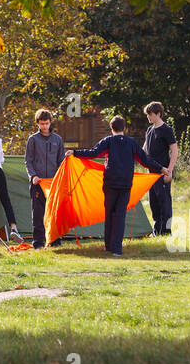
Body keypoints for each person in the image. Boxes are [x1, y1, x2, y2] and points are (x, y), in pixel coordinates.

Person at [73, 116, 168, 257]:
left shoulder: (108, 141)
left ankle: (108, 245)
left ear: (111, 128)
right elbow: (145, 160)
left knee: (109, 213)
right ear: (125, 128)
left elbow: (93, 153)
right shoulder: (132, 143)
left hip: (110, 183)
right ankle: (117, 249)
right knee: (120, 215)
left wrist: (75, 153)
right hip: (125, 184)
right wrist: (161, 168)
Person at [24, 109, 65, 250]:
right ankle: (38, 243)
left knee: (55, 212)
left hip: (53, 183)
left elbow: (61, 161)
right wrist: (33, 176)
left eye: (46, 123)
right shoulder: (33, 139)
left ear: (50, 122)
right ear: (37, 123)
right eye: (41, 124)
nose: (44, 127)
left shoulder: (58, 139)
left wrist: (59, 178)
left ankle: (54, 240)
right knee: (38, 213)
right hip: (38, 182)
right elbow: (28, 161)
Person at [143, 102, 178, 236]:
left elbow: (174, 151)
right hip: (150, 174)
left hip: (163, 172)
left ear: (158, 114)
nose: (149, 117)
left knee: (164, 202)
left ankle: (166, 231)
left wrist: (169, 171)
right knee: (153, 203)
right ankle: (156, 230)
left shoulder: (166, 130)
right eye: (147, 115)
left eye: (150, 115)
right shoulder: (149, 130)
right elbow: (144, 150)